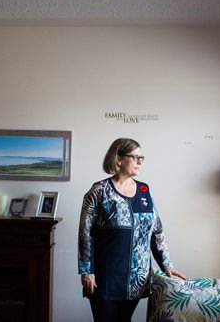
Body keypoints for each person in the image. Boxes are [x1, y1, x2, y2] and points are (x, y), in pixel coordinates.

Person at [78, 138, 187, 322]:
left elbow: (156, 232)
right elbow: (85, 234)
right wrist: (86, 271)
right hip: (105, 279)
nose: (140, 161)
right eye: (134, 157)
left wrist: (166, 265)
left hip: (137, 281)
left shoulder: (145, 190)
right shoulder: (99, 191)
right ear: (118, 159)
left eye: (141, 157)